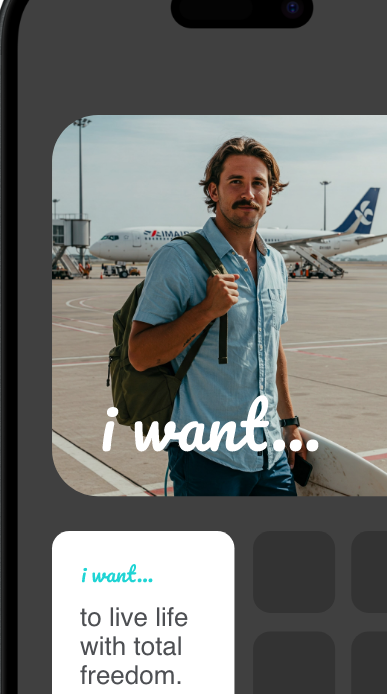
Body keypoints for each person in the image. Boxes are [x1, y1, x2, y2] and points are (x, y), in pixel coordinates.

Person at [128, 136, 307, 496]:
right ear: (214, 190)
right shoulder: (178, 259)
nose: (248, 193)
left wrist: (289, 424)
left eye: (259, 183)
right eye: (235, 182)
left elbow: (272, 345)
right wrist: (206, 311)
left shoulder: (274, 264)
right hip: (208, 459)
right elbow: (140, 355)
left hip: (269, 457)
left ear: (270, 194)